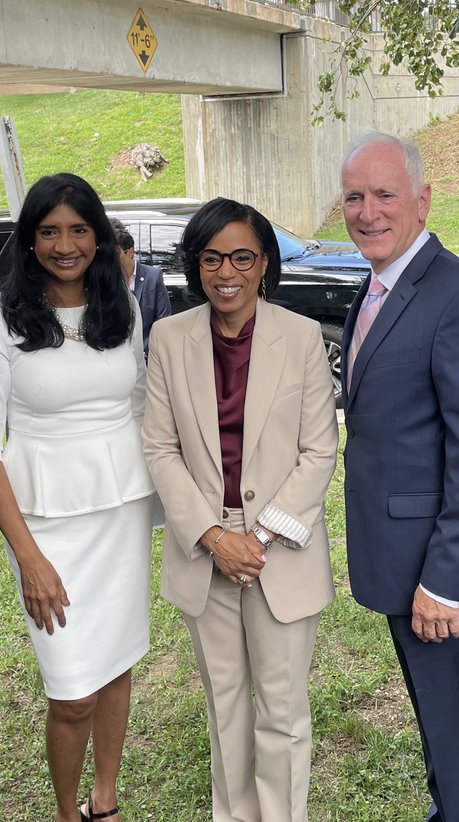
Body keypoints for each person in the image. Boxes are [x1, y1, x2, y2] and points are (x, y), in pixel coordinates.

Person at [0, 173, 154, 822]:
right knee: (72, 691)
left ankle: (105, 800)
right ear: (29, 240)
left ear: (98, 238)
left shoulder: (122, 310)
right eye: (49, 231)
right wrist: (29, 558)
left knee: (119, 662)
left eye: (78, 229)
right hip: (47, 527)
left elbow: (139, 408)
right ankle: (67, 812)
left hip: (121, 511)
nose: (65, 244)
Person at [142, 197, 338, 821]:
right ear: (195, 264)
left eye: (242, 256)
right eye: (211, 257)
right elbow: (160, 447)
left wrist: (261, 539)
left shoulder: (302, 337)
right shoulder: (168, 338)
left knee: (281, 711)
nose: (226, 271)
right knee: (224, 707)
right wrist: (211, 535)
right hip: (207, 552)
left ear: (264, 264)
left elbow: (318, 450)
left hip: (278, 551)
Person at [339, 131, 459, 821]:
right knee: (444, 734)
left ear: (421, 199)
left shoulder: (458, 293)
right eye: (354, 195)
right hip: (402, 562)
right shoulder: (382, 284)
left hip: (440, 577)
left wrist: (445, 579)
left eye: (384, 194)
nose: (367, 210)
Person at [110, 218, 171, 356]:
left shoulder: (153, 277)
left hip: (149, 355)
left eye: (115, 254)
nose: (110, 260)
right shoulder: (108, 281)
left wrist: (143, 350)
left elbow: (163, 322)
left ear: (130, 252)